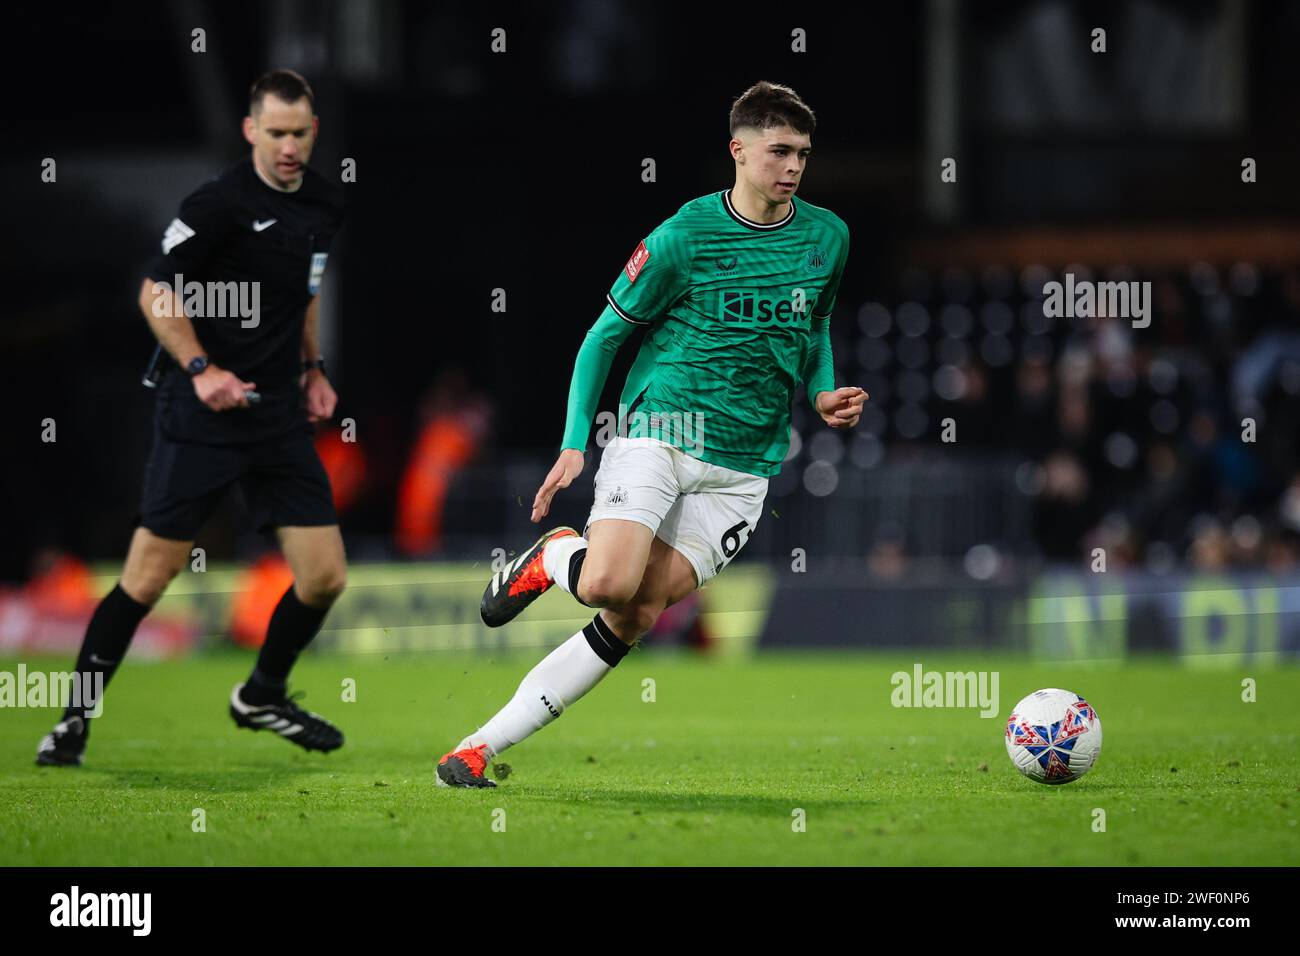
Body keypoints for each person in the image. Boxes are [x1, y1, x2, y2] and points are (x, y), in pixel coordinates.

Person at [436, 81, 866, 787]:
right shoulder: (683, 237)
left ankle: (477, 747)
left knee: (636, 614)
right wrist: (576, 440)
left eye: (803, 154)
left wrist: (822, 393)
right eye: (779, 151)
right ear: (739, 151)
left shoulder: (828, 236)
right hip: (661, 431)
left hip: (744, 467)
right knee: (607, 583)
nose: (793, 167)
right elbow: (603, 337)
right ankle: (556, 557)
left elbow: (814, 327)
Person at [37, 69, 348, 766]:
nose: (288, 146)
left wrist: (312, 368)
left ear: (314, 131)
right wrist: (203, 372)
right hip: (201, 414)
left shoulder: (324, 203)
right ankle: (72, 723)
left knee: (325, 577)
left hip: (276, 417)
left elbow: (305, 291)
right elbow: (154, 292)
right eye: (275, 134)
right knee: (148, 577)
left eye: (299, 133)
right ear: (250, 131)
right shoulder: (218, 204)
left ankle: (262, 693)